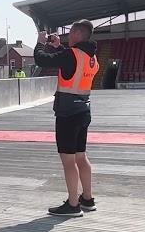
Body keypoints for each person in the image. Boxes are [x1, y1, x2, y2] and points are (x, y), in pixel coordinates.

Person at [33, 19, 99, 217]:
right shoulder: (92, 58)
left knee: (68, 160)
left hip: (67, 113)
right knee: (81, 156)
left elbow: (41, 59)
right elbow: (73, 65)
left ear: (78, 34)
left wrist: (40, 42)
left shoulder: (71, 54)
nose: (68, 36)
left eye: (71, 32)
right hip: (84, 110)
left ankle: (72, 205)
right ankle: (87, 199)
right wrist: (58, 47)